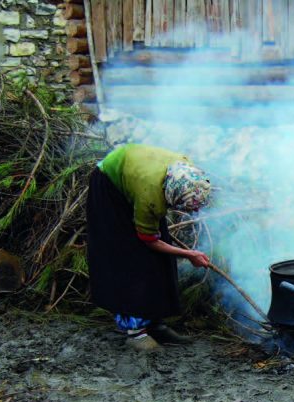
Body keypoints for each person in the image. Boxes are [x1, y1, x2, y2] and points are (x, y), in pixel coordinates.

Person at [86, 143, 213, 349]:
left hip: (140, 178)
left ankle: (155, 324)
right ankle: (135, 332)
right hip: (109, 185)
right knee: (130, 257)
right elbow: (149, 240)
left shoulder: (187, 171)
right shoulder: (150, 197)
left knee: (160, 258)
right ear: (170, 196)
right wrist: (189, 254)